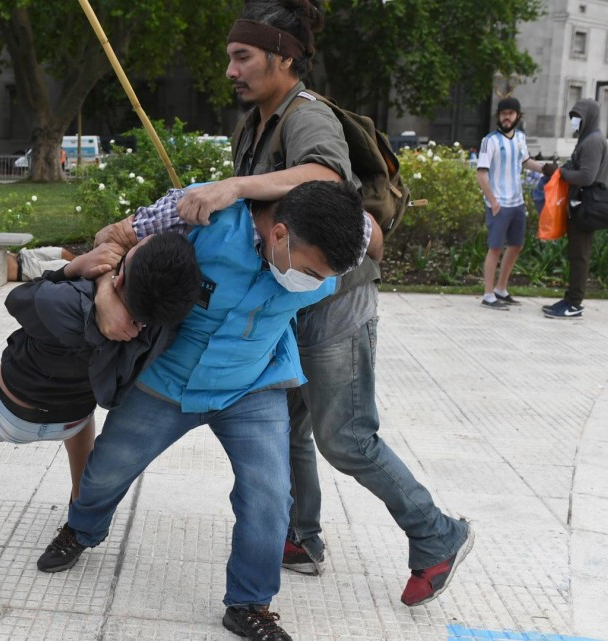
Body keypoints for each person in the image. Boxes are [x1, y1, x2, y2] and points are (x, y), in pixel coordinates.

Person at [174, 0, 473, 611]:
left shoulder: (306, 115)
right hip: (288, 300)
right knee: (286, 424)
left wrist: (232, 186)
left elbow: (326, 178)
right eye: (230, 57)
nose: (231, 71)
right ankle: (300, 536)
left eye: (243, 57)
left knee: (346, 438)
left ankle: (436, 533)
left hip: (335, 299)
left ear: (284, 58)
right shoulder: (255, 123)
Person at [38, 180, 375, 641]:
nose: (317, 283)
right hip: (168, 379)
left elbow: (346, 196)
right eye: (311, 272)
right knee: (107, 469)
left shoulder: (344, 238)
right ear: (279, 234)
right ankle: (81, 529)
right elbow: (109, 240)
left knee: (270, 496)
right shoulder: (198, 213)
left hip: (253, 383)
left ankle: (250, 603)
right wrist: (105, 293)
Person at [0, 234, 200, 605]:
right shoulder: (163, 327)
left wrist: (73, 271)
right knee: (82, 419)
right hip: (73, 416)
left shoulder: (65, 302)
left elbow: (19, 298)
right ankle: (78, 506)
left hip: (7, 410)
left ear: (119, 276)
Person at [541, 98, 608, 319]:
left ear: (588, 118)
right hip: (579, 204)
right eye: (572, 117)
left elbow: (586, 176)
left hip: (586, 206)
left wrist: (559, 173)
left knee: (580, 255)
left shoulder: (592, 142)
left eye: (577, 117)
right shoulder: (587, 139)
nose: (574, 121)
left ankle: (574, 303)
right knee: (575, 253)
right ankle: (569, 298)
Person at [476, 97, 546, 310]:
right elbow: (481, 174)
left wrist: (547, 169)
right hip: (498, 203)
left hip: (517, 202)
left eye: (511, 113)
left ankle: (501, 289)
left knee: (516, 245)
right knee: (495, 247)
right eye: (503, 113)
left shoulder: (521, 138)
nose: (507, 117)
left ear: (517, 116)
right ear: (498, 116)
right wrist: (492, 200)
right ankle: (488, 295)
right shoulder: (489, 141)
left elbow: (526, 161)